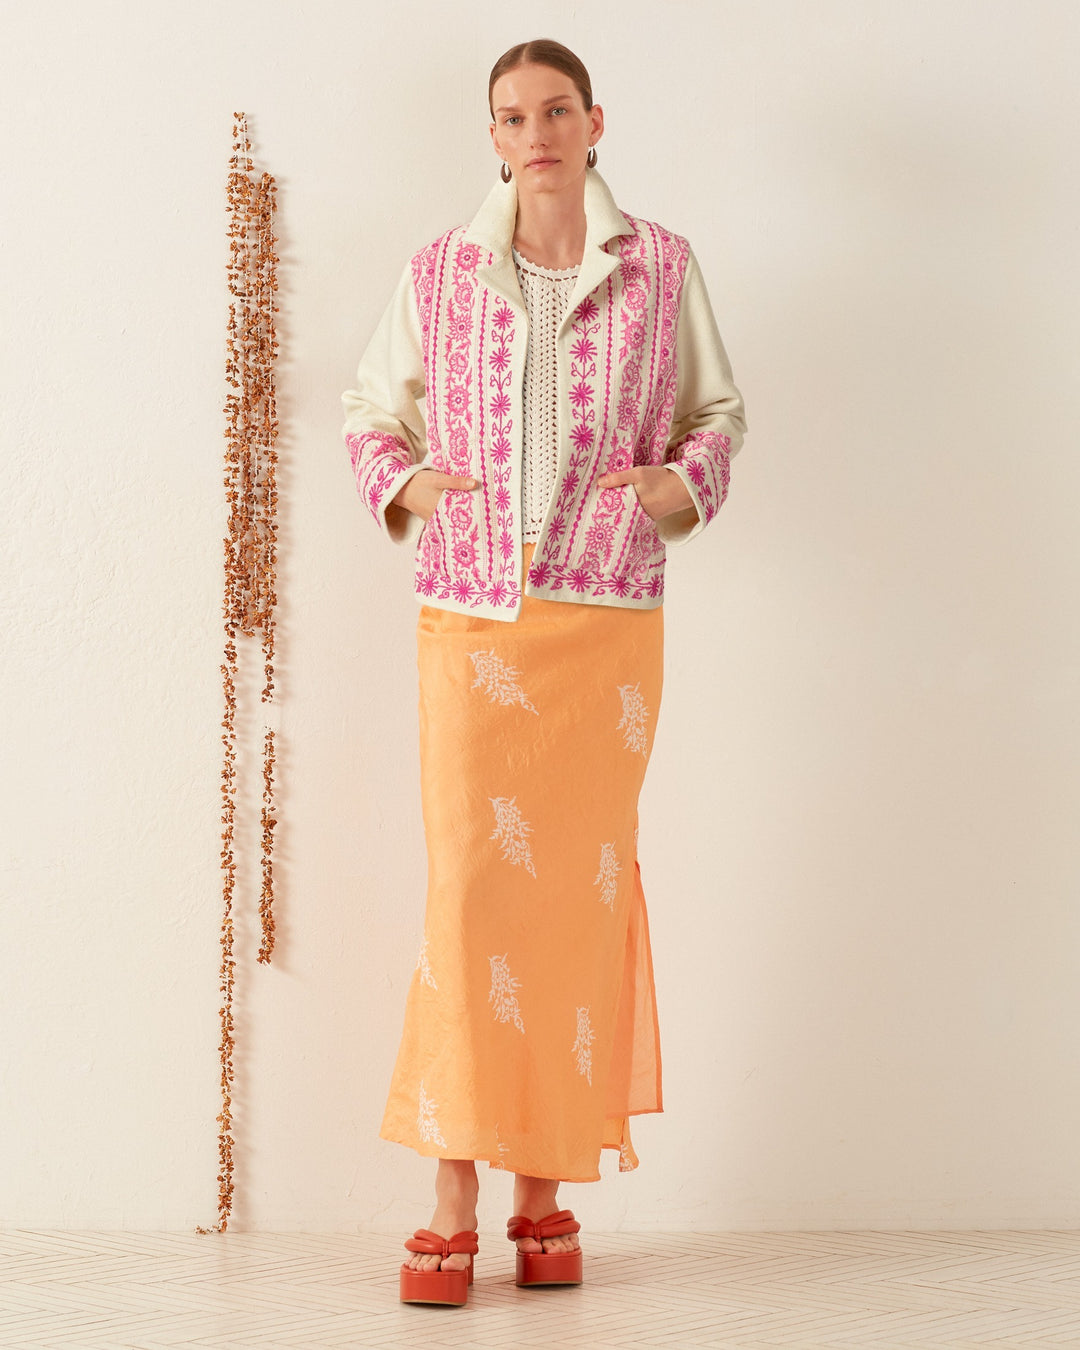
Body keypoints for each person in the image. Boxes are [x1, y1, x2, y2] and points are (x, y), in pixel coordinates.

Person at [341, 38, 747, 1306]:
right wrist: (411, 484)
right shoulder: (442, 271)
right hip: (471, 613)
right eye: (513, 116)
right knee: (469, 892)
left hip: (606, 618)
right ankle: (453, 1189)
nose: (537, 133)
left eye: (556, 109)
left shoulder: (662, 265)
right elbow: (370, 413)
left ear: (595, 121)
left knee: (575, 896)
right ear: (495, 136)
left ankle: (545, 1195)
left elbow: (716, 414)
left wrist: (669, 490)